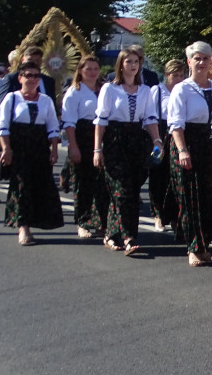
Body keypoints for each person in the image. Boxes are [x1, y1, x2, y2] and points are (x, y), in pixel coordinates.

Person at [94, 47, 161, 256]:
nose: (133, 65)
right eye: (128, 62)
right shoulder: (109, 89)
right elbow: (101, 120)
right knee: (121, 189)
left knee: (130, 191)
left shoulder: (145, 90)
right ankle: (129, 236)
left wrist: (157, 140)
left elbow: (150, 118)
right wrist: (97, 148)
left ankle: (112, 235)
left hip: (136, 142)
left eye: (136, 62)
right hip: (115, 140)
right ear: (121, 65)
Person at [168, 42, 212, 268]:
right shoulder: (182, 89)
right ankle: (194, 247)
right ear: (189, 62)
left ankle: (205, 242)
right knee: (191, 198)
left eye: (205, 59)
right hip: (188, 143)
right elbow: (176, 125)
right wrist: (182, 150)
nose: (201, 63)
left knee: (210, 198)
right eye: (197, 59)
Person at [0, 60, 64, 245]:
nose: (33, 79)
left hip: (39, 147)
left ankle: (38, 220)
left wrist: (54, 150)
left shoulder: (45, 100)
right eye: (28, 75)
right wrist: (6, 148)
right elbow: (2, 127)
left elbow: (52, 127)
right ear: (20, 78)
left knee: (40, 185)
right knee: (21, 186)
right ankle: (23, 227)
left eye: (36, 76)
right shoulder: (12, 99)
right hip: (19, 148)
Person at [62, 55, 110, 239]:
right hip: (83, 136)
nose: (92, 72)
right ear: (80, 70)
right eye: (88, 69)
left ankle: (102, 222)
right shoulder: (75, 91)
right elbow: (69, 122)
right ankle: (82, 222)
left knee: (103, 183)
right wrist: (73, 147)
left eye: (95, 68)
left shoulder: (105, 89)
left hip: (104, 137)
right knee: (83, 183)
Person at [148, 59, 184, 233]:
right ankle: (157, 215)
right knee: (156, 174)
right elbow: (150, 116)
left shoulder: (183, 91)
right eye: (174, 75)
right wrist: (155, 140)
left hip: (176, 135)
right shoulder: (157, 91)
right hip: (159, 134)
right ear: (167, 75)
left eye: (180, 75)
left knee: (174, 177)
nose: (177, 78)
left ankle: (174, 216)